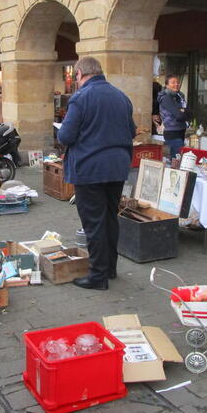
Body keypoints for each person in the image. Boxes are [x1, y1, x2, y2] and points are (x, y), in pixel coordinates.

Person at [57, 57, 136, 290]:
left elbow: (65, 137)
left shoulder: (80, 98)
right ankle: (109, 268)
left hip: (90, 167)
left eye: (76, 78)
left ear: (80, 74)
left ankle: (98, 276)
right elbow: (131, 130)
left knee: (94, 222)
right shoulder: (122, 97)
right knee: (110, 217)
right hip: (117, 166)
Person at [157, 74, 191, 160]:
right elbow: (179, 115)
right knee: (177, 158)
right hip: (172, 132)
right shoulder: (165, 98)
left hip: (181, 130)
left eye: (177, 82)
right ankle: (174, 172)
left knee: (177, 158)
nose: (176, 84)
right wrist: (182, 111)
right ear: (167, 85)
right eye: (173, 82)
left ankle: (175, 171)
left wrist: (183, 111)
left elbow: (190, 113)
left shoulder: (179, 96)